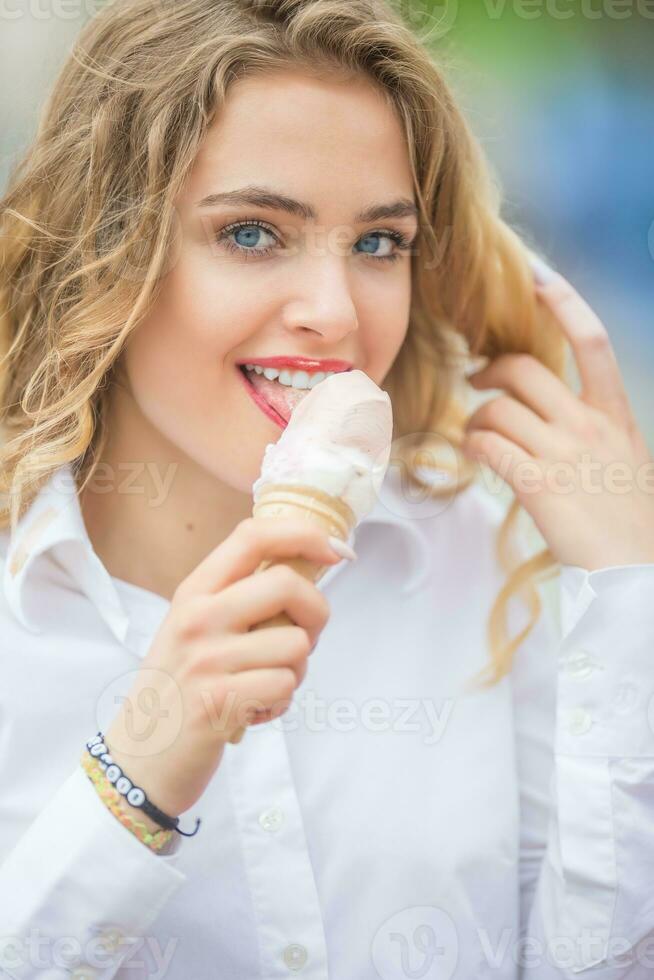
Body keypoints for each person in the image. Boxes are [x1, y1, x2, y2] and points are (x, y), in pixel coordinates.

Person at [1, 0, 653, 977]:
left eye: (378, 243)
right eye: (254, 233)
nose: (336, 313)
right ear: (108, 252)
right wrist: (137, 772)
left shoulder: (492, 559)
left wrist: (634, 585)